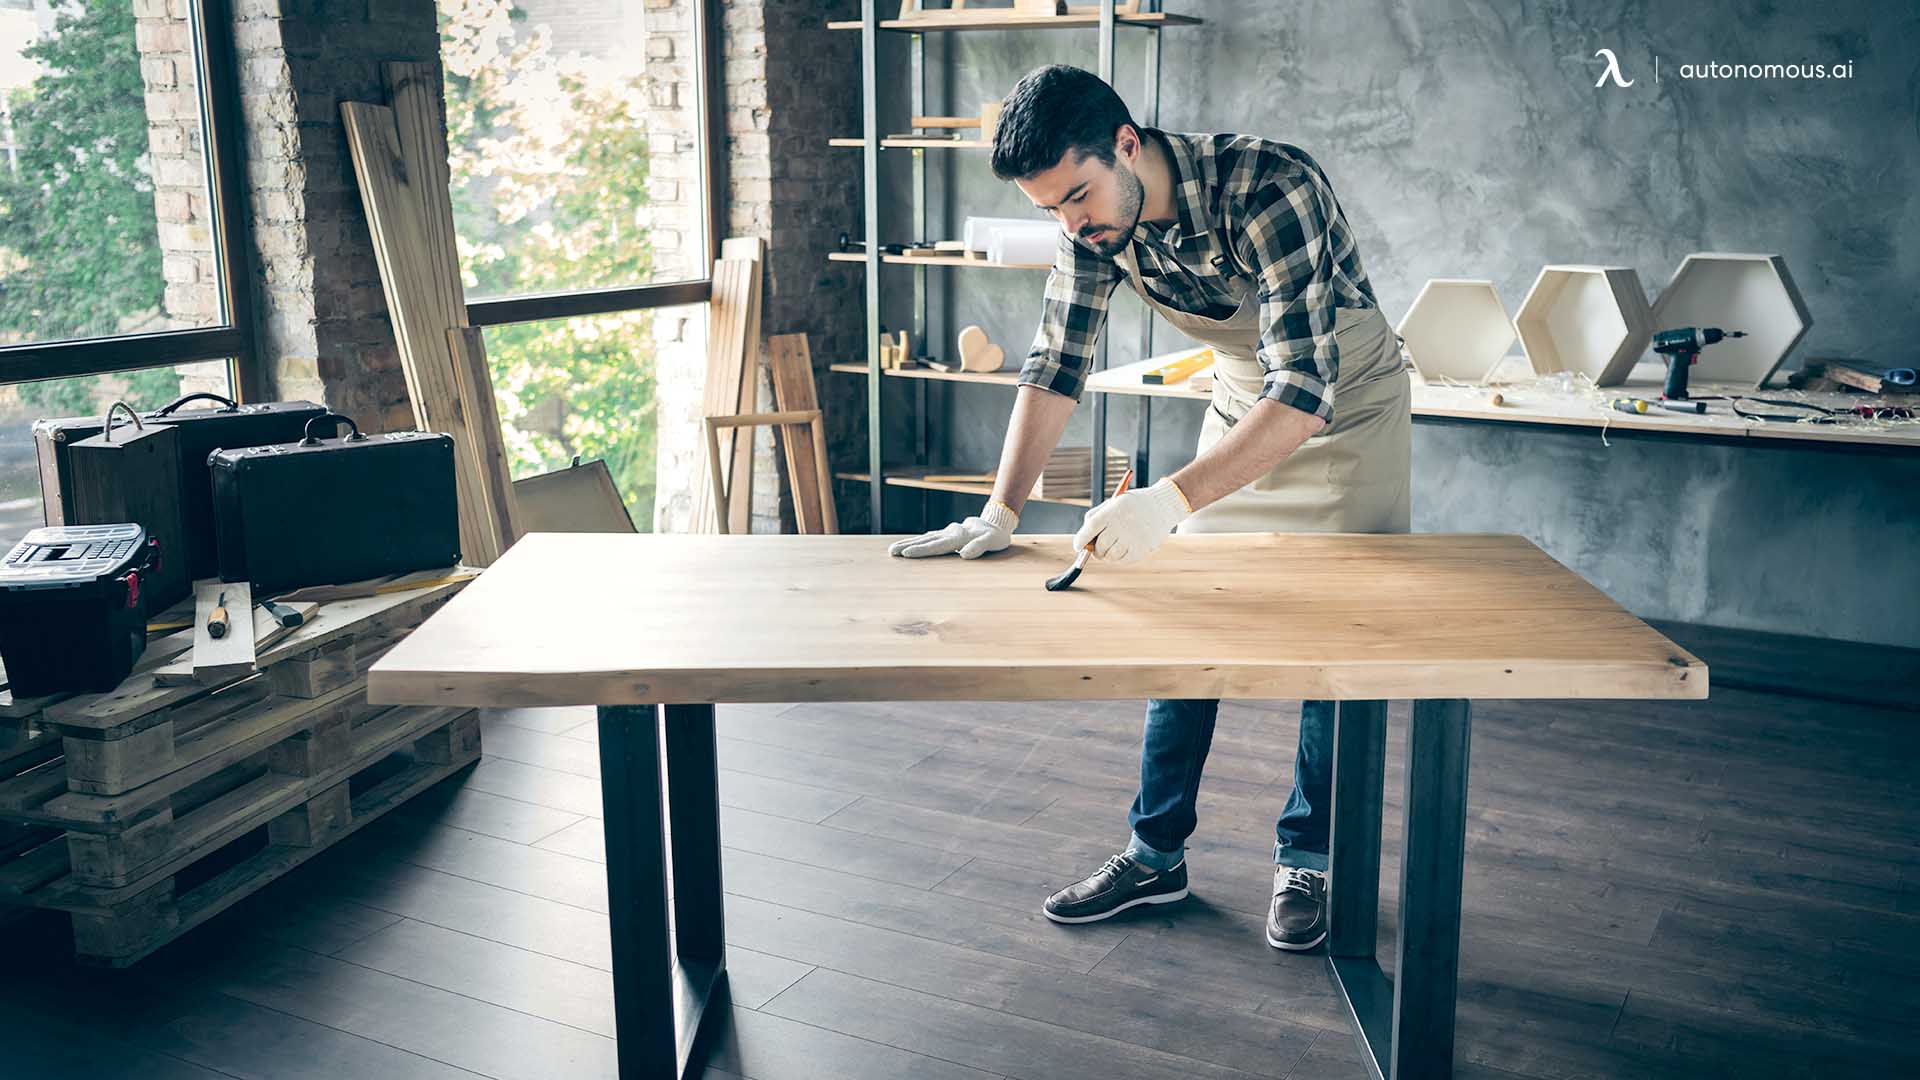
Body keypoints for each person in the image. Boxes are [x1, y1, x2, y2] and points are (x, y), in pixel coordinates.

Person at [886, 64, 1411, 952]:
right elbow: (1057, 362)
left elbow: (1308, 388)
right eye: (1052, 208)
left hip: (1345, 410)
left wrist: (1168, 500)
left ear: (1128, 144)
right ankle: (1155, 853)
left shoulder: (1272, 185)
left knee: (1335, 643)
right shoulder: (1090, 223)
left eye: (1078, 196)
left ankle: (1310, 857)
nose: (1073, 224)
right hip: (1247, 404)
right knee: (1188, 625)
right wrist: (1001, 512)